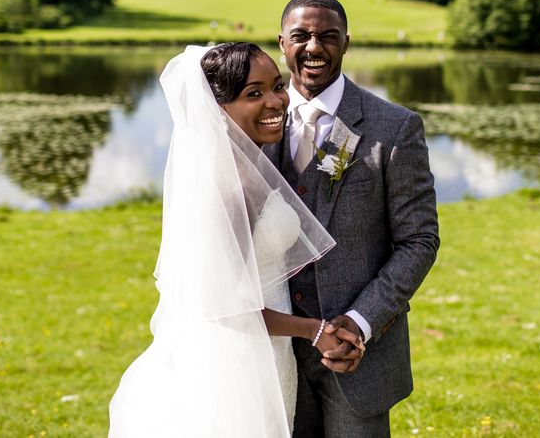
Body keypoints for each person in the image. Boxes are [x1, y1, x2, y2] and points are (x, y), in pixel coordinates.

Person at [108, 43, 362, 437]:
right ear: (217, 107)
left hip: (265, 351)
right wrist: (312, 329)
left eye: (277, 86)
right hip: (238, 361)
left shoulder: (249, 165)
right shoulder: (229, 188)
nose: (276, 101)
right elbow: (223, 309)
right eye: (253, 93)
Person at [263, 0, 440, 437]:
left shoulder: (394, 127)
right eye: (300, 36)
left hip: (357, 356)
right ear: (281, 42)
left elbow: (418, 241)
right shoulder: (255, 122)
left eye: (328, 36)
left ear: (346, 43)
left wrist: (360, 323)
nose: (313, 47)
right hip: (274, 352)